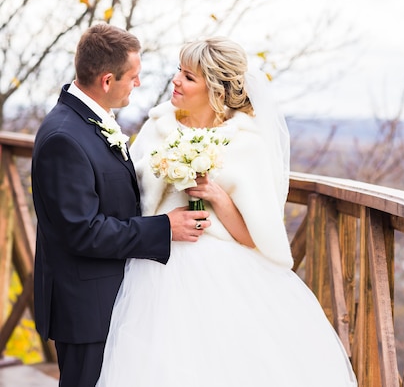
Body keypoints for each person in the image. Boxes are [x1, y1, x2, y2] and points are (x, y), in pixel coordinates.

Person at [97, 36, 358, 386]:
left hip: (221, 278)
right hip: (155, 270)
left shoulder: (246, 143)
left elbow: (255, 236)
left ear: (216, 90)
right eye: (179, 71)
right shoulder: (157, 127)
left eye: (189, 77)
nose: (175, 80)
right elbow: (131, 199)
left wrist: (216, 196)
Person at [31, 24, 210, 387]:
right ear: (108, 80)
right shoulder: (64, 138)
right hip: (84, 309)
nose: (139, 84)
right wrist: (165, 227)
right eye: (134, 77)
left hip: (108, 298)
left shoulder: (91, 121)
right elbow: (83, 231)